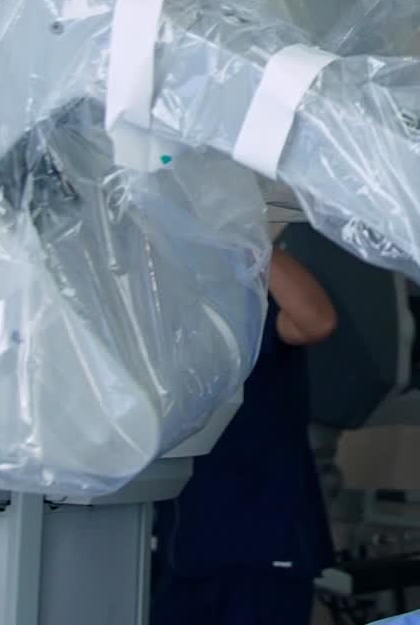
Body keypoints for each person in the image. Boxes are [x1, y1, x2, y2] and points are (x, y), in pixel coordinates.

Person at [151, 245, 338, 625]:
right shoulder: (157, 327)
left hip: (257, 545)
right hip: (176, 548)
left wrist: (243, 233)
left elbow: (315, 321)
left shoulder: (248, 311)